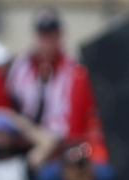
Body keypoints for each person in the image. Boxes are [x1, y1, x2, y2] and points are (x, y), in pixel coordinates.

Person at [6, 8, 95, 141]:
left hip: (59, 136)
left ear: (60, 36)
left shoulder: (73, 67)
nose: (47, 42)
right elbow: (12, 101)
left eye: (51, 36)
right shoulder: (22, 65)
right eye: (43, 36)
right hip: (26, 134)